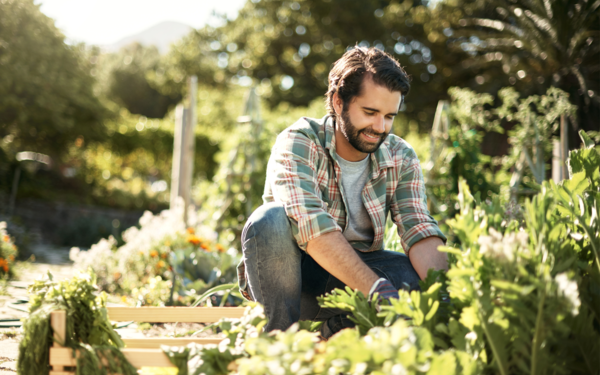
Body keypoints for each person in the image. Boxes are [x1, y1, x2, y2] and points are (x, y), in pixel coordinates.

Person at [237, 46, 448, 338]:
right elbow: (313, 228)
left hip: (353, 279)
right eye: (370, 112)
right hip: (294, 282)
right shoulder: (298, 142)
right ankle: (278, 341)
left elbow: (418, 227)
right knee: (269, 220)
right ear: (338, 102)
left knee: (414, 275)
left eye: (389, 116)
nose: (380, 127)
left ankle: (339, 328)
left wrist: (448, 295)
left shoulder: (401, 155)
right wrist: (377, 289)